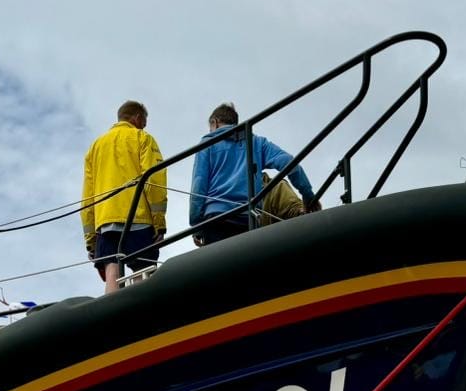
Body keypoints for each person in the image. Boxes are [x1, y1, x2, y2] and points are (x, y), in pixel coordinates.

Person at [188, 102, 321, 246]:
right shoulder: (257, 142)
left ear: (215, 122)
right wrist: (307, 194)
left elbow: (198, 186)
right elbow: (288, 162)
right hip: (249, 219)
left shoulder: (206, 144)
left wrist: (196, 225)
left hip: (216, 220)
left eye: (210, 128)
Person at [82, 100, 167, 293]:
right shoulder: (143, 138)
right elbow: (154, 181)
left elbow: (87, 198)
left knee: (112, 271)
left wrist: (91, 240)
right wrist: (159, 223)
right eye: (144, 122)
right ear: (137, 118)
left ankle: (112, 315)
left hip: (105, 223)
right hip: (138, 218)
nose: (145, 126)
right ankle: (144, 314)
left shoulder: (95, 147)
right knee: (142, 270)